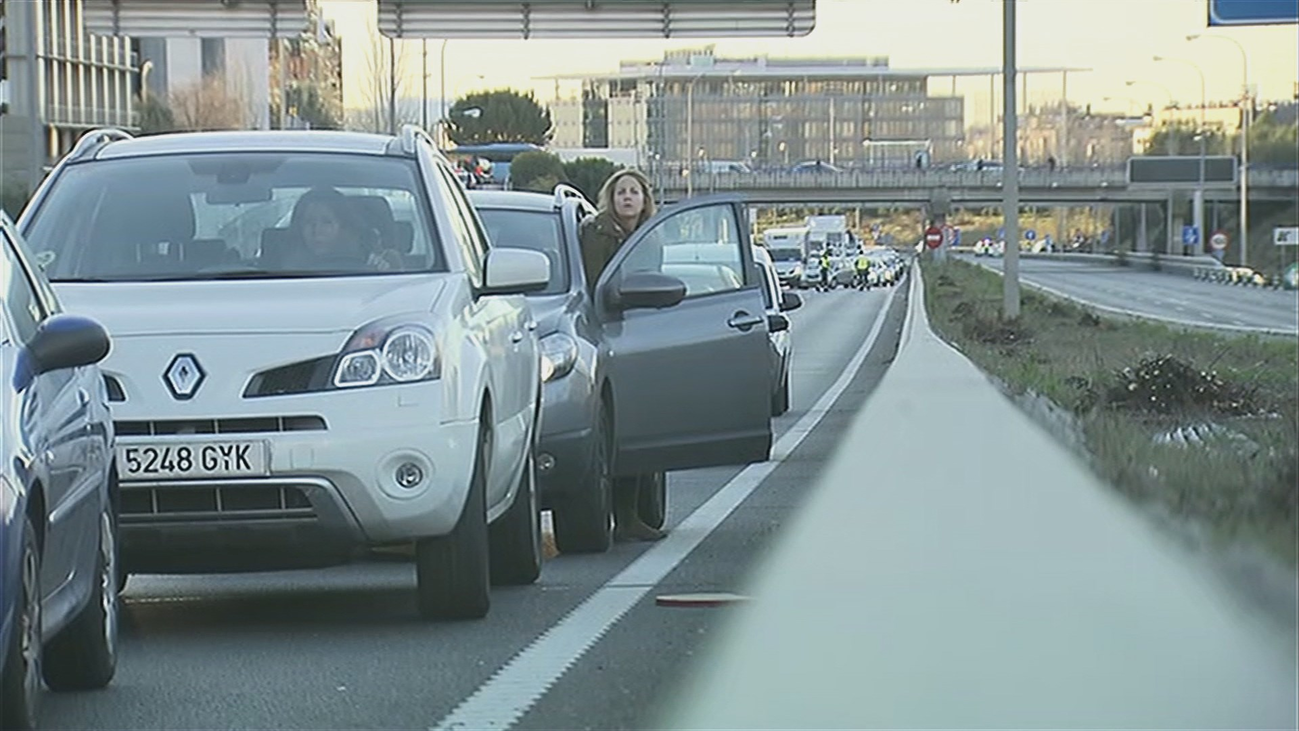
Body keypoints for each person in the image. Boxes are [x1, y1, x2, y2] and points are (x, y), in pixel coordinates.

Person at [577, 168, 665, 543]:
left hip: (639, 334)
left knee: (640, 428)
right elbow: (598, 285)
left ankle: (630, 515)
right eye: (621, 192)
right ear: (610, 199)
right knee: (617, 429)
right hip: (607, 334)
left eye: (634, 192)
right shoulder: (598, 233)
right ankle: (618, 516)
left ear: (645, 199)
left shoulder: (649, 237)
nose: (627, 198)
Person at [284, 187, 401, 272]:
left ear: (343, 227)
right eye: (309, 222)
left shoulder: (374, 262)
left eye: (326, 222)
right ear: (299, 228)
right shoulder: (279, 272)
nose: (316, 231)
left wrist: (385, 271)